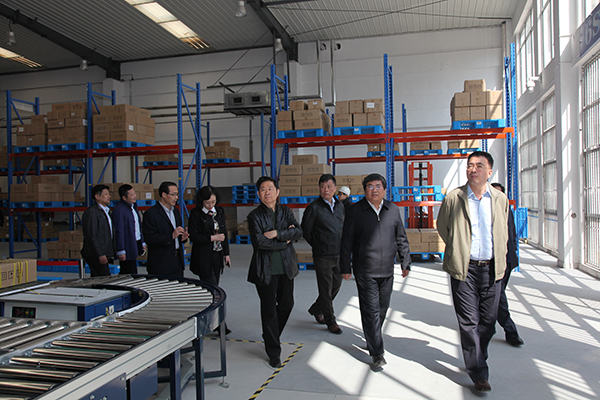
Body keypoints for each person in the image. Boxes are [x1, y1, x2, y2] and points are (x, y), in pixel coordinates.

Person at [437, 151, 509, 392]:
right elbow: (443, 227)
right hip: (464, 269)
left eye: (479, 165)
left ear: (489, 172)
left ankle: (479, 355)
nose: (473, 169)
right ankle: (479, 373)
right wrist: (458, 248)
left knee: (488, 322)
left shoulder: (499, 199)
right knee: (469, 322)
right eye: (469, 165)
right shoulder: (454, 198)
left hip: (492, 268)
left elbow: (503, 231)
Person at [340, 173, 411, 370]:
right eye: (370, 186)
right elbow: (346, 241)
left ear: (385, 190)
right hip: (365, 270)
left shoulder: (392, 210)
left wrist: (405, 262)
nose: (374, 190)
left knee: (382, 309)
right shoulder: (355, 211)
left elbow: (401, 237)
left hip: (387, 270)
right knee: (370, 311)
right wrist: (345, 266)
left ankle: (372, 337)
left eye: (378, 186)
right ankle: (377, 352)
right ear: (365, 190)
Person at [247, 176, 302, 369]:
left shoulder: (286, 211)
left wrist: (278, 234)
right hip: (265, 270)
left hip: (286, 267)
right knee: (269, 310)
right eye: (263, 189)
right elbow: (259, 243)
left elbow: (298, 232)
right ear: (259, 194)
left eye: (270, 188)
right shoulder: (254, 216)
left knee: (287, 304)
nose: (267, 192)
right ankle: (274, 352)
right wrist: (285, 241)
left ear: (277, 192)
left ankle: (271, 335)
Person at [301, 174, 345, 334]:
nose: (326, 189)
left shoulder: (340, 206)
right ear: (319, 188)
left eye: (329, 186)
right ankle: (330, 320)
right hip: (322, 255)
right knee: (325, 289)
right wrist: (319, 244)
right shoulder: (313, 208)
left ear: (335, 188)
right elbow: (306, 231)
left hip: (338, 253)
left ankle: (316, 308)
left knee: (336, 285)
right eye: (322, 186)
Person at [189, 185, 232, 335]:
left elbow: (224, 232)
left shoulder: (219, 211)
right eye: (207, 203)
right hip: (203, 258)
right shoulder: (196, 214)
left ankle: (211, 321)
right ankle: (220, 325)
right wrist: (213, 238)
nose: (210, 205)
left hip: (217, 256)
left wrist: (226, 254)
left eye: (213, 202)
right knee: (214, 290)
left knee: (213, 290)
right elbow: (194, 236)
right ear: (201, 201)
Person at [491, 182, 524, 347]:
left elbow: (512, 234)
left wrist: (512, 255)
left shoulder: (507, 211)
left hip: (507, 260)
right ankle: (510, 331)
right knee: (497, 296)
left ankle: (492, 326)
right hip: (492, 260)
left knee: (497, 296)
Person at [142, 181, 189, 277]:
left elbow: (178, 234)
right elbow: (150, 238)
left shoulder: (175, 211)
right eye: (173, 195)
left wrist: (183, 237)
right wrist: (171, 236)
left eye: (177, 194)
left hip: (177, 262)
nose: (176, 198)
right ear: (164, 195)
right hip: (161, 264)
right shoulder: (151, 214)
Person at [81, 184, 115, 277]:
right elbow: (92, 235)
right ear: (97, 197)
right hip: (95, 254)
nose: (109, 196)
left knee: (97, 278)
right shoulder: (92, 212)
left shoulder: (106, 211)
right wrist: (100, 254)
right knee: (105, 278)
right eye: (106, 194)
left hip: (103, 252)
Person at [112, 184, 146, 275]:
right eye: (131, 195)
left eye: (134, 193)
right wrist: (121, 250)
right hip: (127, 246)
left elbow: (138, 226)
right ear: (124, 197)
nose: (134, 196)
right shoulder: (119, 210)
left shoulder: (133, 207)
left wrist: (142, 242)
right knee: (128, 271)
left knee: (132, 269)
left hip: (135, 243)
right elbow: (119, 231)